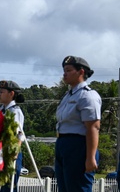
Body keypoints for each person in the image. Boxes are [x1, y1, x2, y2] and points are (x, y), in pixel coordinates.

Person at [55, 55, 101, 192]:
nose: (64, 74)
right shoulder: (68, 96)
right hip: (63, 144)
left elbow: (93, 127)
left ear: (81, 72)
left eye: (68, 70)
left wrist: (91, 157)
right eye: (64, 70)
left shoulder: (88, 96)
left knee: (78, 188)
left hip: (79, 145)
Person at [0, 80, 25, 192]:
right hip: (0, 152)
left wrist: (15, 152)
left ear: (11, 93)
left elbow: (19, 134)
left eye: (2, 92)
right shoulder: (1, 110)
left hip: (11, 152)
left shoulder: (15, 111)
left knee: (9, 187)